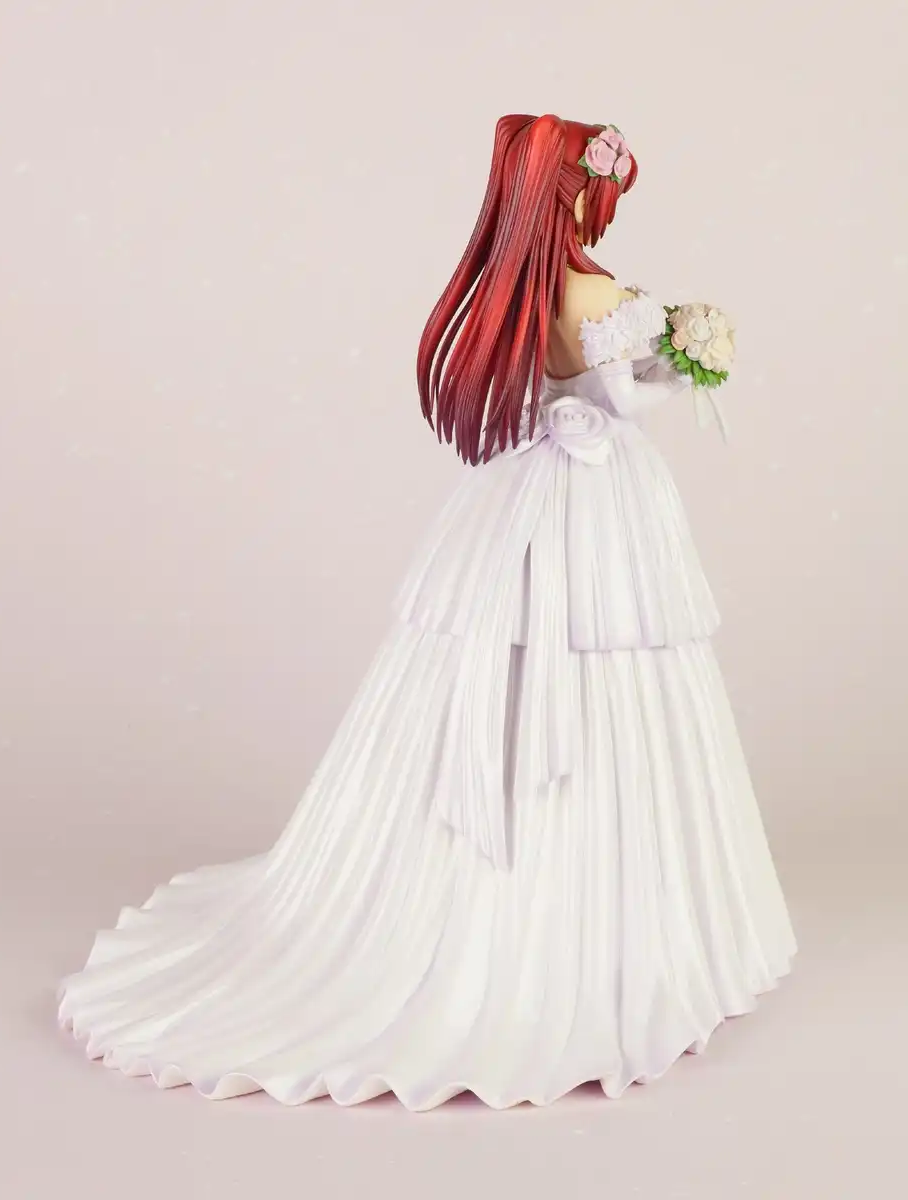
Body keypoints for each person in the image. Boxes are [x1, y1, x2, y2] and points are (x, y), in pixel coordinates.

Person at [58, 113, 796, 1111]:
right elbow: (624, 400)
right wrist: (690, 351)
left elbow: (563, 378)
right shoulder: (594, 292)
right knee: (605, 654)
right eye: (596, 190)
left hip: (518, 495)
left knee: (505, 660)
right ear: (574, 190)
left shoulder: (511, 285)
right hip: (595, 502)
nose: (601, 207)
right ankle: (596, 916)